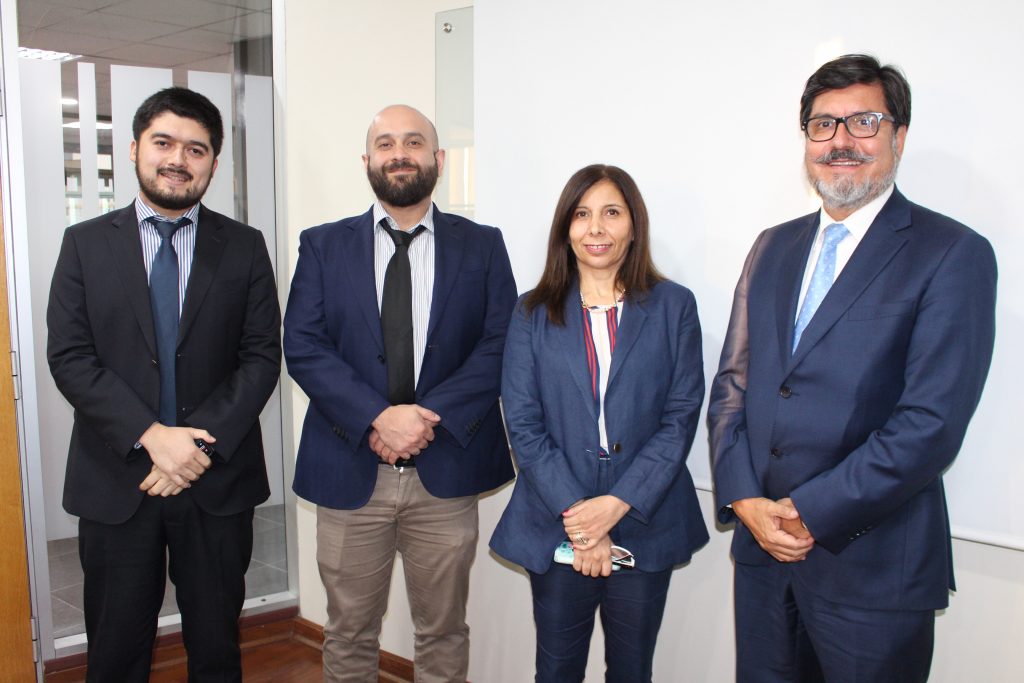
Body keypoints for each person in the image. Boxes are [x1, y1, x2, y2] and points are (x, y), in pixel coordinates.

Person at [708, 54, 998, 683]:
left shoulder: (952, 253)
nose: (840, 141)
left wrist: (807, 511)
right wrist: (742, 497)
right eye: (822, 125)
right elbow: (734, 382)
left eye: (863, 122)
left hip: (874, 572)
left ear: (899, 137)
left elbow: (930, 423)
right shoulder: (773, 246)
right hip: (761, 559)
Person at [47, 87, 281, 681]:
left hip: (215, 482)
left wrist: (196, 448)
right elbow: (71, 357)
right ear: (134, 149)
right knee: (116, 651)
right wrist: (152, 435)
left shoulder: (246, 247)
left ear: (213, 164)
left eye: (196, 149)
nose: (179, 158)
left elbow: (260, 358)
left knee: (216, 649)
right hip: (118, 481)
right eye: (164, 142)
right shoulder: (85, 244)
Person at [284, 104, 517, 683]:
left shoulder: (482, 245)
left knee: (443, 629)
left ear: (438, 159)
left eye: (414, 142)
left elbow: (500, 342)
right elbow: (304, 345)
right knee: (348, 630)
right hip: (348, 470)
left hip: (445, 470)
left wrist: (421, 420)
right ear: (367, 161)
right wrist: (376, 419)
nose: (399, 154)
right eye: (385, 144)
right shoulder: (321, 245)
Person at [490, 164, 708, 682]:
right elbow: (523, 424)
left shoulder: (674, 306)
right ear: (565, 227)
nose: (596, 229)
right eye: (582, 214)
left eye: (612, 213)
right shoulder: (530, 313)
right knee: (557, 671)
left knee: (632, 671)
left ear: (633, 224)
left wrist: (615, 505)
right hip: (557, 521)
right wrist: (582, 519)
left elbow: (680, 417)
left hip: (644, 518)